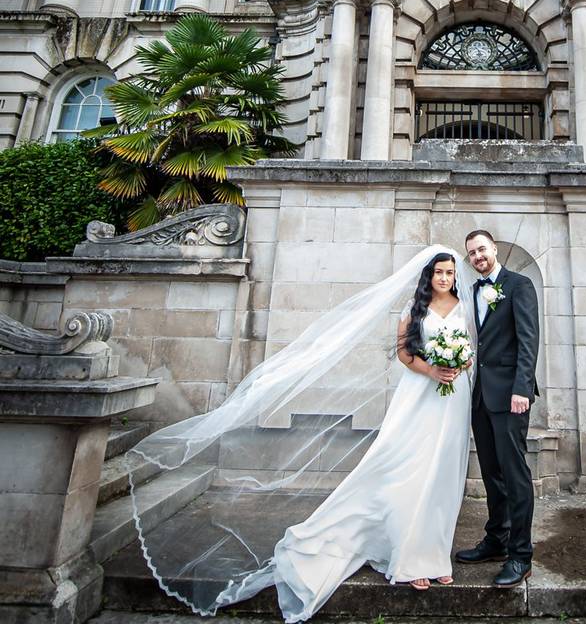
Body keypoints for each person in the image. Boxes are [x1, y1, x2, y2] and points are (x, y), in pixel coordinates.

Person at [127, 247, 479, 622]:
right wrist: (432, 371)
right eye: (439, 272)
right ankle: (410, 558)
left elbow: (471, 349)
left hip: (454, 399)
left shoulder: (464, 306)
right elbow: (405, 356)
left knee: (443, 474)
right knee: (407, 471)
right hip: (420, 397)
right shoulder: (415, 309)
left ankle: (435, 553)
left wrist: (460, 361)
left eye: (449, 273)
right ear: (429, 276)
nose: (445, 278)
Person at [455, 230, 540, 588]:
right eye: (472, 253)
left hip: (510, 397)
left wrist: (522, 388)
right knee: (492, 473)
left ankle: (521, 555)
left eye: (482, 249)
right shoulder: (470, 291)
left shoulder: (518, 285)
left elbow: (528, 338)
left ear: (494, 250)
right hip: (480, 398)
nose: (477, 256)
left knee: (515, 473)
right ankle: (497, 540)